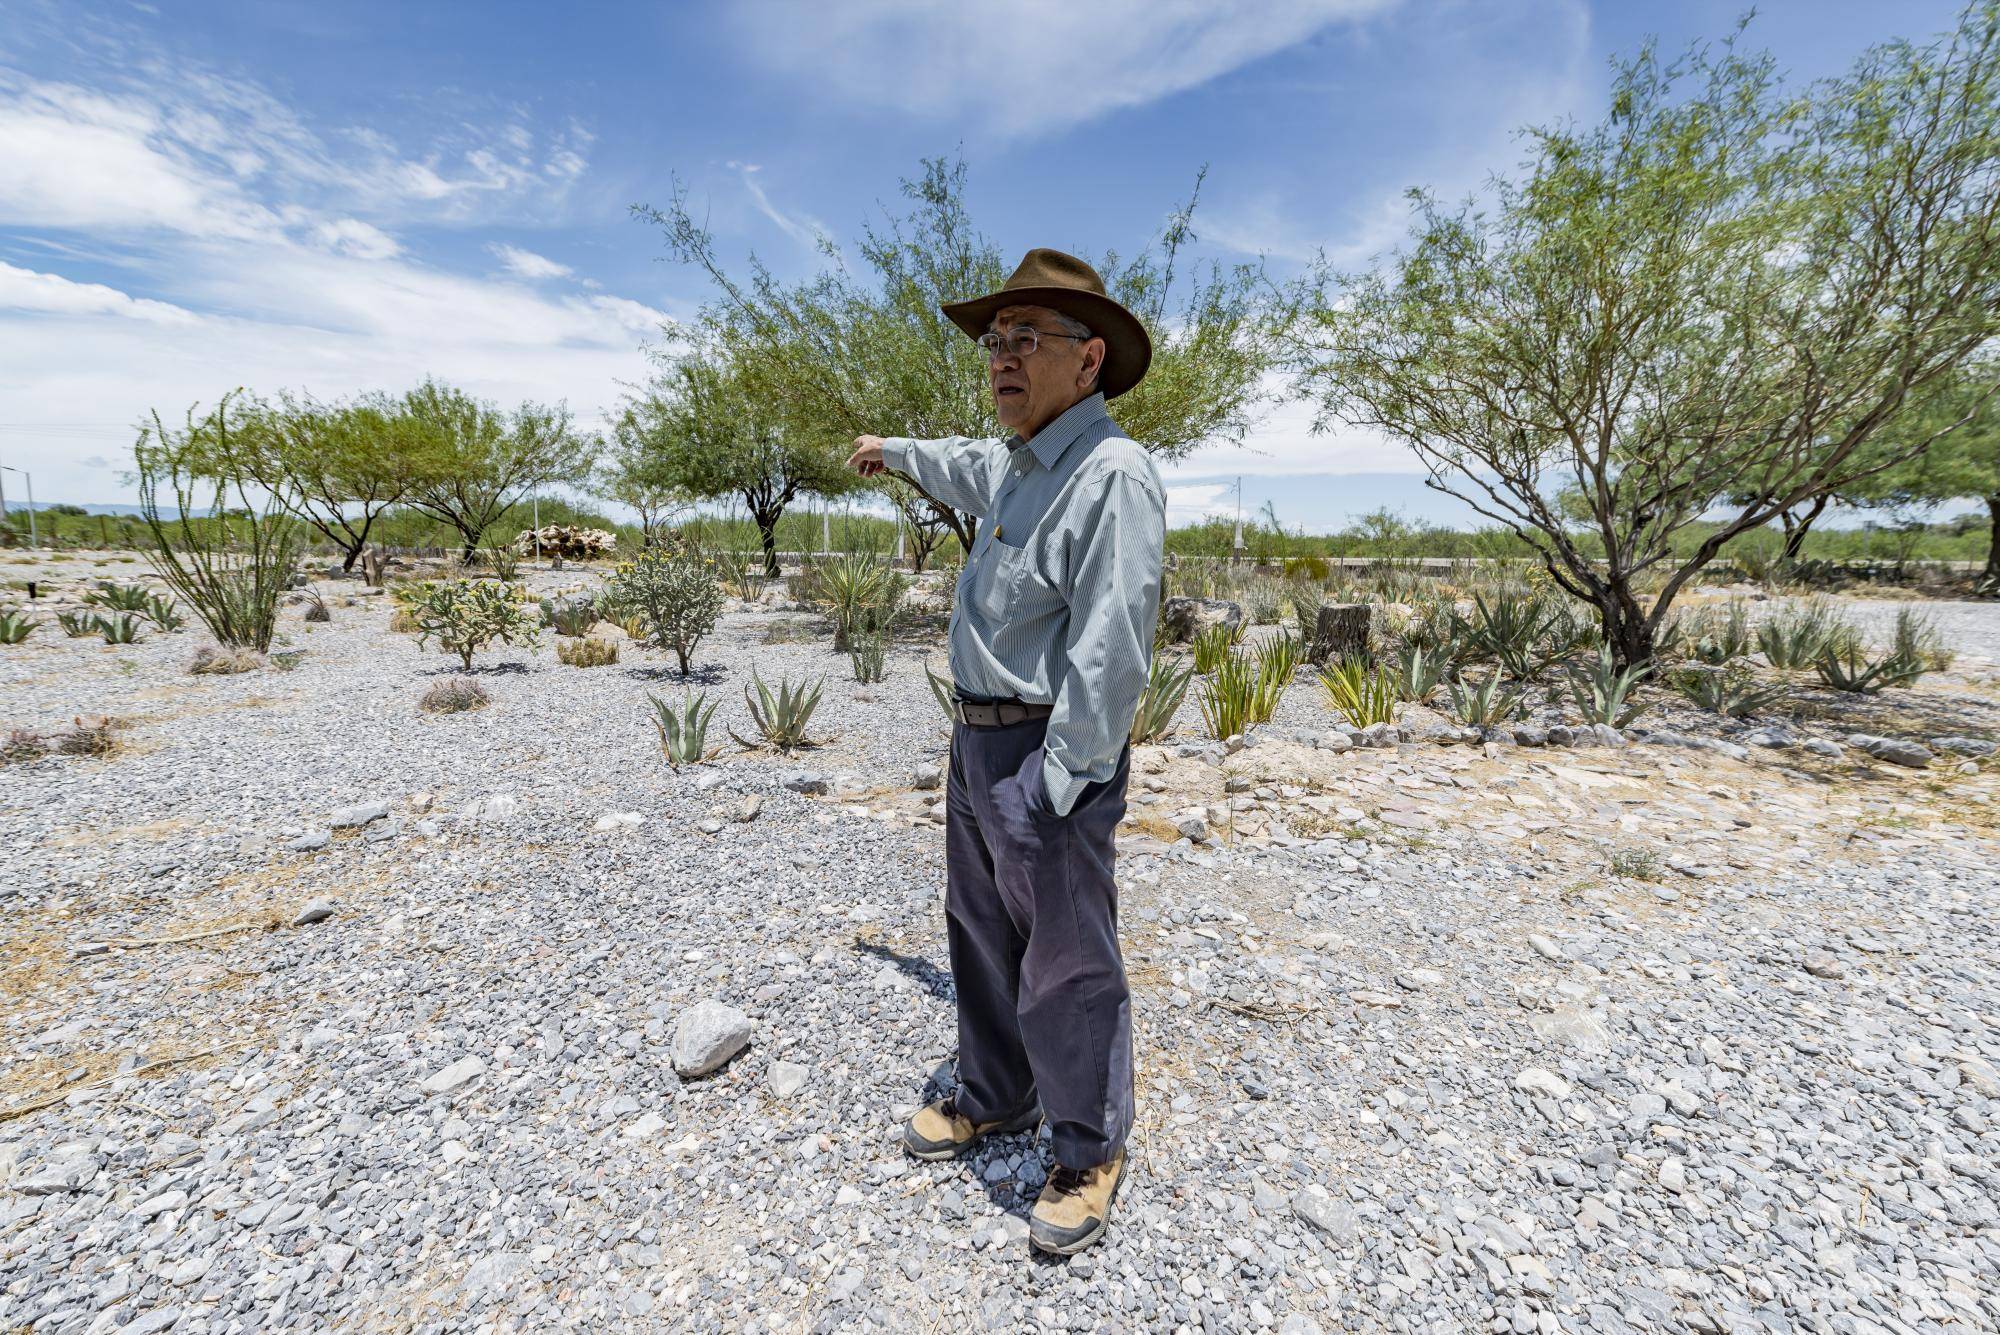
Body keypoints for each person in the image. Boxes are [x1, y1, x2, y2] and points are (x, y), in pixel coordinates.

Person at [846, 248, 1166, 1256]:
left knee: (1066, 960)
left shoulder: (1110, 475)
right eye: (995, 339)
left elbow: (1113, 646)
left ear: (1090, 358)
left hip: (1043, 753)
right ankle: (995, 1094)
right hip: (976, 743)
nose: (1001, 358)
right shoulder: (1016, 465)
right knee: (979, 932)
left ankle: (1088, 1148)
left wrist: (1060, 781)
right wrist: (890, 449)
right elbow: (955, 460)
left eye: (1028, 338)